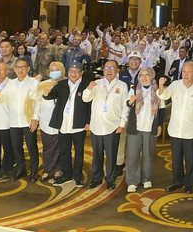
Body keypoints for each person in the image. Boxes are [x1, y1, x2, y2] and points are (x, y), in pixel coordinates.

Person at [157, 61, 193, 194]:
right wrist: (161, 85)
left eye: (189, 71)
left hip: (191, 130)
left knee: (191, 159)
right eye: (184, 71)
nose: (185, 74)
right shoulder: (175, 85)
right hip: (175, 129)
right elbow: (163, 96)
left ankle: (189, 184)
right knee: (176, 158)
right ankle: (177, 181)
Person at [42, 61, 91, 187]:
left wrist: (88, 121)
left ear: (81, 73)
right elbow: (51, 95)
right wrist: (46, 94)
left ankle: (78, 176)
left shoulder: (86, 85)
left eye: (76, 71)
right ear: (67, 72)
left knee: (79, 152)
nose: (73, 74)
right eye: (71, 71)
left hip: (78, 124)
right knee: (64, 151)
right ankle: (67, 174)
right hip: (63, 124)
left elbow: (90, 105)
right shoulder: (62, 84)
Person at [82, 59, 129, 190]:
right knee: (96, 155)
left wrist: (122, 124)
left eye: (112, 68)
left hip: (113, 126)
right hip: (96, 125)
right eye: (106, 68)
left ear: (117, 70)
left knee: (111, 155)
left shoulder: (122, 86)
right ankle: (96, 178)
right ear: (103, 70)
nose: (109, 70)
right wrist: (89, 88)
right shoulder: (96, 83)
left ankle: (110, 179)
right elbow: (85, 98)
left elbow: (125, 107)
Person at [0, 57, 41, 181]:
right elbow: (3, 98)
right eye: (18, 67)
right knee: (16, 146)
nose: (20, 70)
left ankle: (34, 172)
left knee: (32, 147)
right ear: (14, 69)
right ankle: (21, 170)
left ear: (28, 69)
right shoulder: (11, 83)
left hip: (28, 120)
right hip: (14, 121)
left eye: (23, 67)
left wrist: (35, 118)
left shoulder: (33, 82)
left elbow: (37, 102)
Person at [125, 67, 165, 191]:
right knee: (132, 155)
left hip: (150, 126)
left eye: (147, 75)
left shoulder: (158, 90)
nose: (144, 77)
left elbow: (162, 109)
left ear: (152, 76)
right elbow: (127, 104)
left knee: (148, 154)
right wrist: (129, 102)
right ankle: (132, 181)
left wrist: (159, 125)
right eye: (141, 75)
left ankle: (147, 178)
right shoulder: (133, 89)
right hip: (135, 127)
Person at [35, 62, 66, 182]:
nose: (54, 72)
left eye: (57, 69)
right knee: (47, 147)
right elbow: (37, 102)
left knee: (60, 147)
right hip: (46, 121)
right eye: (52, 70)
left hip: (61, 121)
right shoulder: (43, 84)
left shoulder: (66, 84)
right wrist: (35, 118)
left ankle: (58, 169)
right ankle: (48, 169)